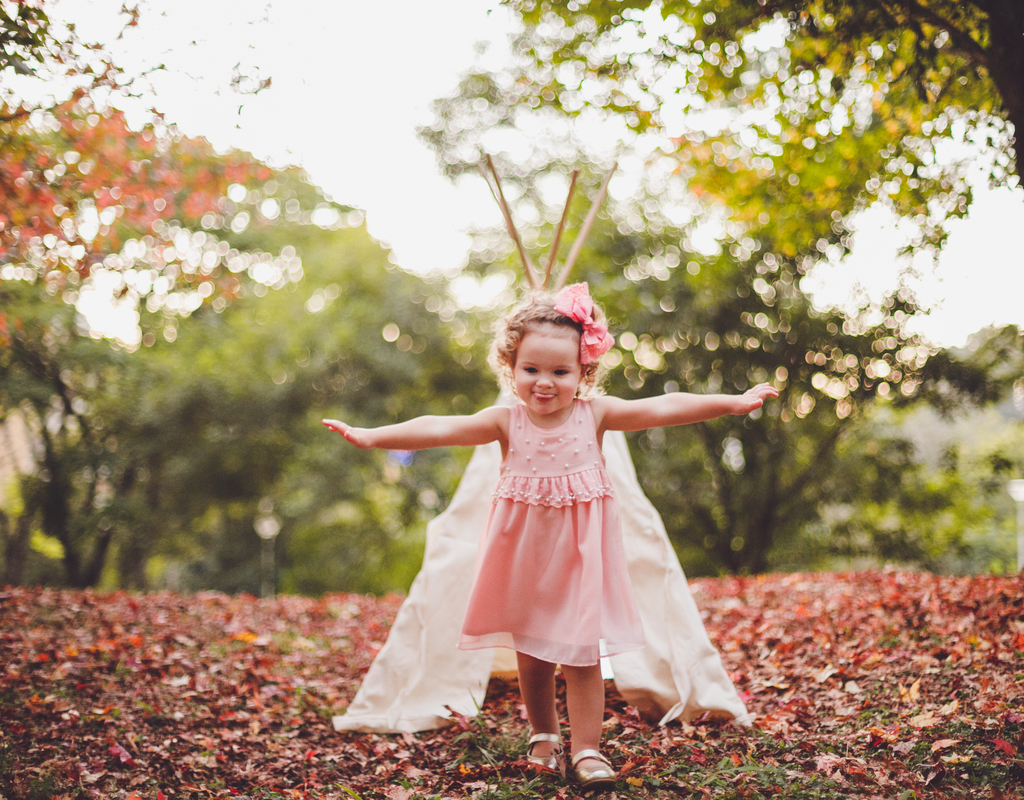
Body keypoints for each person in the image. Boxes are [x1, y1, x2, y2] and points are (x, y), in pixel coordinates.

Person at [323, 283, 777, 789]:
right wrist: (372, 436)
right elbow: (438, 428)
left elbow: (665, 407)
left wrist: (734, 403)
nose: (544, 382)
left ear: (583, 371)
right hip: (523, 558)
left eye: (559, 372)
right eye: (530, 369)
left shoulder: (595, 415)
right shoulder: (505, 422)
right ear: (510, 368)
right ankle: (543, 735)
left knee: (583, 656)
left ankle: (586, 748)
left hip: (581, 560)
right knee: (532, 655)